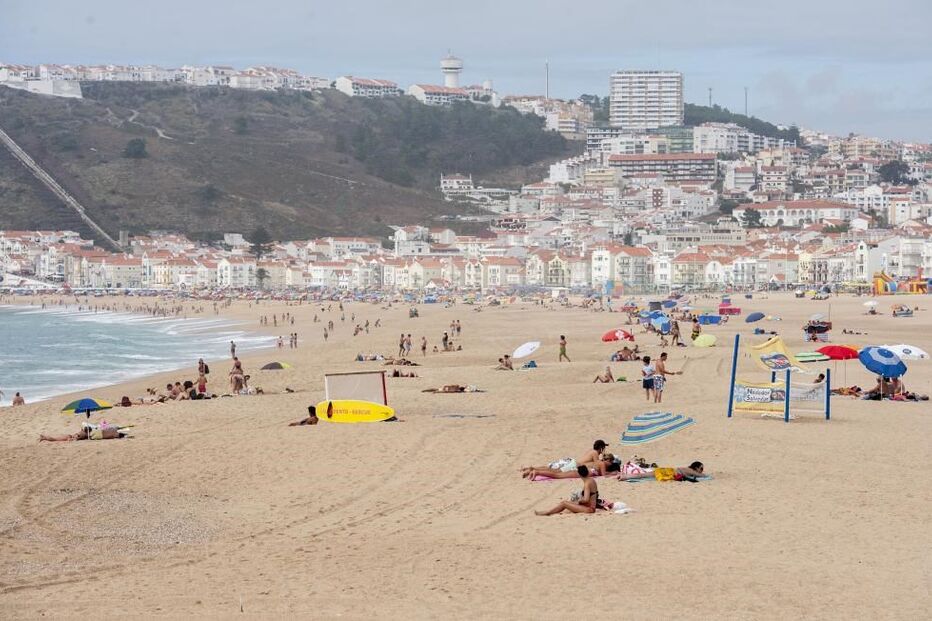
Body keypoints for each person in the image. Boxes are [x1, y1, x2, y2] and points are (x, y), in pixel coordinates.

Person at [521, 440, 609, 478]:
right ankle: (534, 471)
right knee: (556, 472)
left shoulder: (591, 451)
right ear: (601, 448)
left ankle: (530, 469)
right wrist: (604, 456)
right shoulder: (595, 453)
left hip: (571, 461)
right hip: (573, 465)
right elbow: (598, 464)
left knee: (551, 468)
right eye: (603, 448)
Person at [534, 465, 599, 515]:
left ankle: (547, 512)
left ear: (579, 474)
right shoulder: (592, 480)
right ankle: (548, 512)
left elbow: (586, 499)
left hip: (589, 509)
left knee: (564, 503)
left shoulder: (587, 484)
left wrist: (579, 501)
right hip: (591, 507)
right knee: (567, 504)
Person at [526, 453, 621, 480]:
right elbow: (603, 475)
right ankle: (537, 472)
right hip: (579, 469)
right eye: (611, 463)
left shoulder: (598, 462)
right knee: (557, 475)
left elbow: (600, 473)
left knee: (556, 472)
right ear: (609, 460)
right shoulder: (603, 463)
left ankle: (535, 470)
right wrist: (612, 473)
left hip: (577, 466)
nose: (610, 465)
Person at [617, 461, 705, 482]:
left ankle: (625, 476)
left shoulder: (687, 469)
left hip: (665, 470)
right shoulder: (692, 471)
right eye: (701, 468)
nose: (701, 471)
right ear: (696, 467)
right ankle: (624, 477)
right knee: (643, 475)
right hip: (667, 472)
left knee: (643, 475)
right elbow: (703, 476)